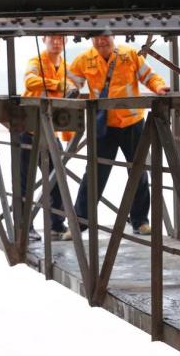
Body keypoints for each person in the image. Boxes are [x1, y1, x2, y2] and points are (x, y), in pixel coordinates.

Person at [62, 36, 169, 239]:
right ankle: (78, 223)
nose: (102, 41)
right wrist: (70, 89)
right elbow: (70, 80)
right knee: (94, 174)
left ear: (113, 37)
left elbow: (149, 76)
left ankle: (140, 221)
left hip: (131, 121)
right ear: (92, 39)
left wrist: (159, 88)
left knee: (138, 172)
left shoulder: (129, 54)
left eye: (105, 37)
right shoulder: (84, 59)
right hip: (103, 124)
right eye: (97, 37)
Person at [21, 35, 75, 241]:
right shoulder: (36, 62)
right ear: (44, 40)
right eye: (52, 38)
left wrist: (68, 134)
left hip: (51, 132)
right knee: (24, 182)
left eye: (60, 38)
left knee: (57, 180)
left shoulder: (66, 68)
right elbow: (30, 81)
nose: (56, 42)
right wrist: (58, 85)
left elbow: (66, 104)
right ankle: (24, 227)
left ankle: (56, 225)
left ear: (65, 42)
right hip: (29, 130)